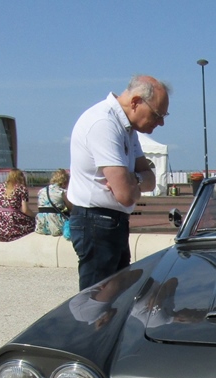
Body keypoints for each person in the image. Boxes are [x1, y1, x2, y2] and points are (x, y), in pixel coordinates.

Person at [68, 74, 169, 290]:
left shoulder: (127, 128)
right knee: (98, 299)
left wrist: (135, 179)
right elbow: (126, 195)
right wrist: (135, 183)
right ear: (136, 102)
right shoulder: (104, 123)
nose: (161, 122)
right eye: (157, 114)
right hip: (96, 221)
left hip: (111, 222)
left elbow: (150, 180)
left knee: (117, 296)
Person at [0, 169, 36, 242]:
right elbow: (25, 210)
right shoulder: (22, 188)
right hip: (13, 221)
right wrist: (34, 216)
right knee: (32, 224)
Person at [35, 169, 71, 236]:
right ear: (65, 182)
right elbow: (71, 208)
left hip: (41, 224)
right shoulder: (61, 192)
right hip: (55, 224)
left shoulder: (41, 191)